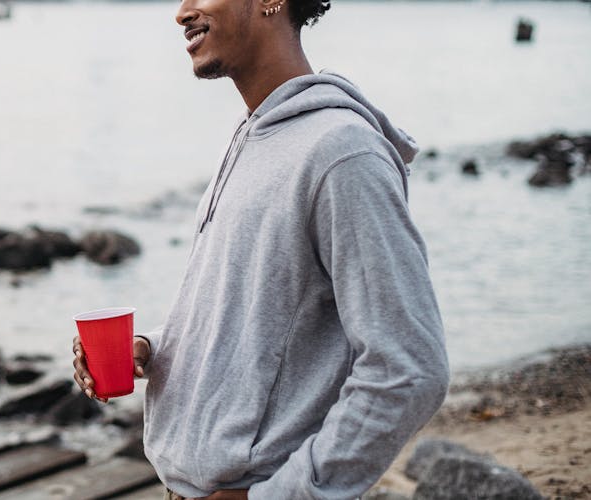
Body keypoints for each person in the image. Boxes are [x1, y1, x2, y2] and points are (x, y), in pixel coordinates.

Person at [73, 0, 450, 496]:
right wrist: (155, 348)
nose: (182, 12)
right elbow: (253, 311)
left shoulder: (342, 153)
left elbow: (408, 366)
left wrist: (286, 493)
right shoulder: (251, 134)